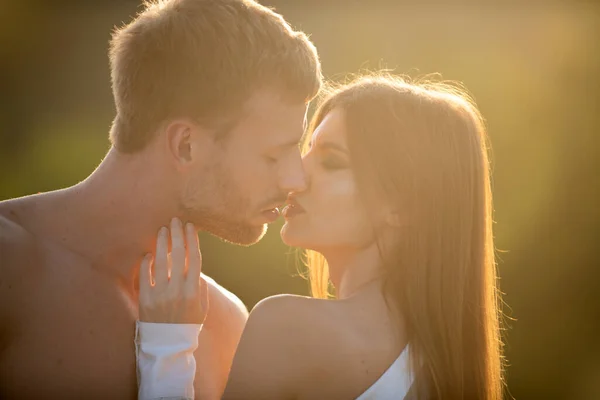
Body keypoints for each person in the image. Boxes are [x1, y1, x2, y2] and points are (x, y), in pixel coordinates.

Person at [0, 0, 322, 398]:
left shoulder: (223, 323)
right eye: (273, 155)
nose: (296, 178)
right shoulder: (10, 266)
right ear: (186, 145)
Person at [138, 75, 505, 399]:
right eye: (305, 152)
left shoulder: (288, 327)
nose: (295, 177)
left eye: (332, 162)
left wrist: (167, 348)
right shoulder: (448, 367)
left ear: (403, 207)